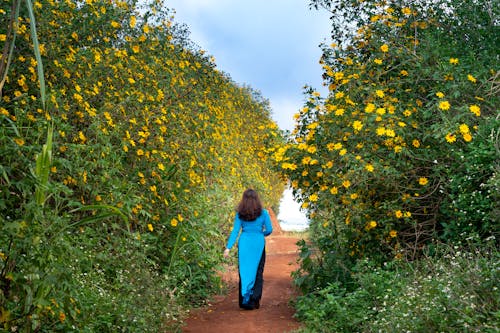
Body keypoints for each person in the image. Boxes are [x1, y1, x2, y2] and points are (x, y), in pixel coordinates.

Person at [223, 189, 273, 310]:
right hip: (258, 243)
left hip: (244, 242)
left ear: (243, 200)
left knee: (244, 271)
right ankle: (255, 300)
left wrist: (228, 248)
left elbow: (235, 231)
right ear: (257, 199)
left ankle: (245, 301)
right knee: (258, 271)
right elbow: (270, 230)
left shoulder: (240, 214)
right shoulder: (264, 213)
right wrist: (261, 234)